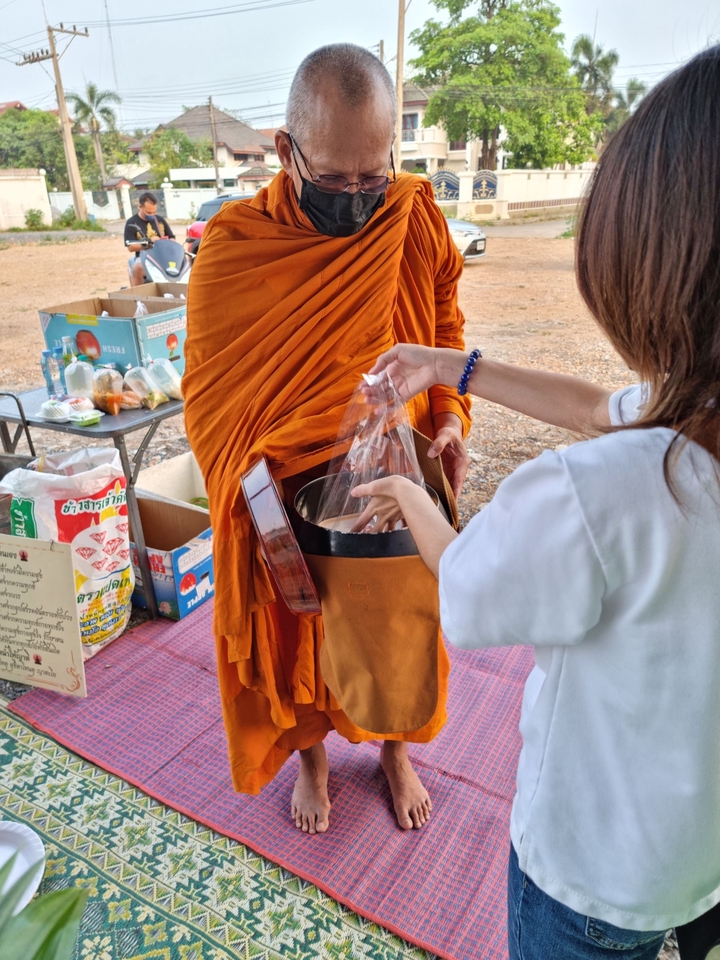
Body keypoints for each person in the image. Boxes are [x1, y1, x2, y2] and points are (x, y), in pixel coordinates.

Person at [352, 46, 720, 960]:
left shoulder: (603, 495)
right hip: (695, 855)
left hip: (587, 879)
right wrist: (447, 366)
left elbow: (469, 588)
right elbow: (600, 406)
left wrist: (406, 490)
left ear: (643, 263)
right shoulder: (696, 420)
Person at [182, 44, 471, 834]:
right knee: (300, 627)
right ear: (286, 151)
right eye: (336, 179)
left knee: (400, 621)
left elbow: (442, 320)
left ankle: (393, 747)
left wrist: (448, 413)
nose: (357, 197)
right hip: (286, 490)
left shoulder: (410, 216)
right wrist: (252, 488)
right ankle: (312, 759)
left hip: (393, 466)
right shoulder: (234, 249)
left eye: (372, 177)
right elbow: (210, 400)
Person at [124, 191, 175, 286]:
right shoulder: (131, 223)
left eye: (154, 212)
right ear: (140, 207)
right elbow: (130, 247)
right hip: (144, 256)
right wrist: (149, 242)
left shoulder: (160, 220)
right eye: (148, 212)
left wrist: (168, 242)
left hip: (163, 256)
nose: (152, 215)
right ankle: (138, 297)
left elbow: (172, 238)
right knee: (137, 268)